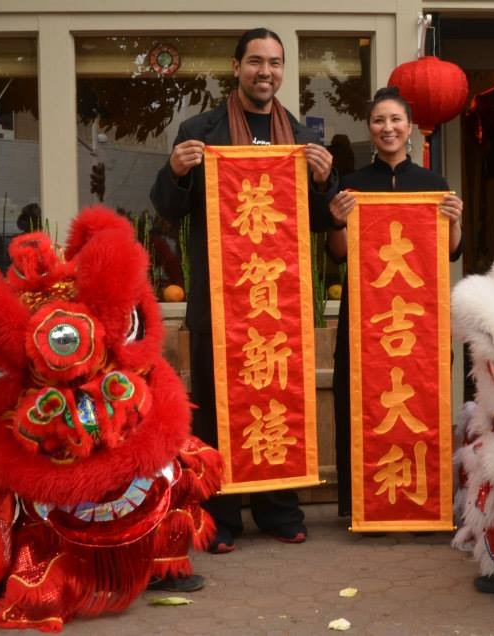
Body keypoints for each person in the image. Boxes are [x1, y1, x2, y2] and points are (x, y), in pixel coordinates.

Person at [150, 28, 338, 569]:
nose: (265, 72)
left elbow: (324, 222)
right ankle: (222, 516)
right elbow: (167, 208)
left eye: (275, 64)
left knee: (278, 406)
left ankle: (280, 513)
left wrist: (325, 182)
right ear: (236, 67)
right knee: (216, 412)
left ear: (282, 72)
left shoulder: (299, 136)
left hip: (278, 305)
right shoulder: (200, 131)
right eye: (255, 62)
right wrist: (177, 170)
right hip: (220, 301)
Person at [327, 86, 464, 521]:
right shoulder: (352, 186)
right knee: (358, 403)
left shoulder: (432, 186)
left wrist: (454, 220)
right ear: (370, 129)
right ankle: (360, 505)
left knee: (418, 405)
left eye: (395, 120)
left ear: (409, 129)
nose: (388, 128)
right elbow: (338, 252)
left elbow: (450, 251)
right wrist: (335, 218)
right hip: (365, 320)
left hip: (416, 324)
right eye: (379, 121)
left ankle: (420, 501)